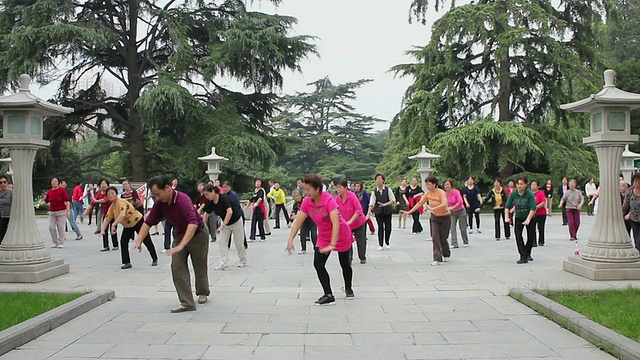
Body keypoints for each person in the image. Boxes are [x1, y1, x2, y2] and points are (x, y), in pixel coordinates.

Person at [135, 175, 210, 313]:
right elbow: (148, 222)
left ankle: (203, 292)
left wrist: (181, 245)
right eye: (155, 195)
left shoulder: (183, 200)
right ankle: (187, 302)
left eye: (158, 193)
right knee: (177, 267)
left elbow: (193, 223)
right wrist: (139, 241)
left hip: (198, 234)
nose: (157, 197)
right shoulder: (160, 204)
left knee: (199, 265)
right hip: (179, 234)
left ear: (168, 188)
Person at [286, 174, 354, 305]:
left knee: (345, 264)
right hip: (324, 236)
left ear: (317, 189)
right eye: (305, 190)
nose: (306, 192)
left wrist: (332, 244)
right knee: (318, 264)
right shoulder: (307, 202)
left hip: (341, 234)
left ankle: (348, 287)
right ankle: (328, 295)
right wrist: (290, 239)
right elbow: (299, 220)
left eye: (308, 190)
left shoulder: (329, 200)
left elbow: (336, 224)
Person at [100, 186, 158, 269]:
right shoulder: (112, 206)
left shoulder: (121, 202)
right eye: (109, 194)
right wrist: (102, 230)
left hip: (137, 221)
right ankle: (127, 262)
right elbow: (107, 218)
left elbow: (122, 215)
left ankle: (154, 258)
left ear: (116, 194)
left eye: (112, 193)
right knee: (123, 241)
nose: (111, 195)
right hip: (128, 225)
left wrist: (114, 224)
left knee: (146, 239)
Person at [405, 176, 451, 266]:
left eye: (428, 184)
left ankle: (446, 253)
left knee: (443, 238)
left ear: (434, 184)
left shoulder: (441, 192)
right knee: (435, 237)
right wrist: (409, 212)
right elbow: (420, 203)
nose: (427, 186)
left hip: (445, 217)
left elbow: (445, 204)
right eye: (426, 184)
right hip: (435, 218)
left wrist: (432, 208)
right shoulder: (428, 194)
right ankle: (437, 258)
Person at [202, 184, 247, 271]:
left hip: (236, 221)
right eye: (205, 195)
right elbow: (206, 214)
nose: (206, 197)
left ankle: (243, 259)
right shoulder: (210, 202)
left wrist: (223, 225)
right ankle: (224, 263)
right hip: (225, 222)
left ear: (213, 191)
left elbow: (229, 212)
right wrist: (202, 225)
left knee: (239, 242)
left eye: (207, 194)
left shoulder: (223, 198)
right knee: (222, 242)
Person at [505, 177, 537, 264]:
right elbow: (507, 206)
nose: (519, 186)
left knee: (531, 237)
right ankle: (523, 256)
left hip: (530, 217)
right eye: (518, 184)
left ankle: (527, 253)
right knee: (518, 236)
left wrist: (528, 219)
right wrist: (507, 217)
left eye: (521, 184)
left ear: (526, 185)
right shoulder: (514, 193)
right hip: (518, 217)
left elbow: (533, 207)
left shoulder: (529, 194)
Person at [335, 180, 367, 264]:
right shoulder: (337, 199)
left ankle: (362, 257)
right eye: (337, 188)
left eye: (340, 187)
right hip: (346, 224)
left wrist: (350, 221)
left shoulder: (352, 196)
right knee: (347, 240)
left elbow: (359, 210)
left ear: (345, 188)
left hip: (358, 222)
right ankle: (349, 258)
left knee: (361, 240)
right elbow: (334, 211)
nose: (338, 190)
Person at [367, 173, 396, 250]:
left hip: (387, 211)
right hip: (378, 212)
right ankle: (380, 244)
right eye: (377, 179)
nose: (379, 180)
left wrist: (385, 204)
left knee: (388, 227)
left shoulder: (387, 189)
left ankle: (387, 242)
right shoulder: (374, 191)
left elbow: (393, 200)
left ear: (383, 180)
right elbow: (372, 202)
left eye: (380, 178)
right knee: (380, 227)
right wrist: (369, 211)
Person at [42, 177, 70, 248]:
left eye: (55, 181)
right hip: (52, 212)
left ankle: (61, 242)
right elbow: (46, 200)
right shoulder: (50, 191)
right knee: (51, 227)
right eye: (52, 181)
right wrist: (40, 204)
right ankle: (55, 242)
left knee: (61, 227)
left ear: (58, 183)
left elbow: (67, 200)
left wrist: (68, 210)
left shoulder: (62, 190)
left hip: (61, 211)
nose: (54, 183)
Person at [90, 179, 118, 251]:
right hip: (106, 215)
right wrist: (87, 210)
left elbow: (106, 199)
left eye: (105, 183)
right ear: (99, 186)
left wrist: (97, 201)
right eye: (102, 184)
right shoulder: (99, 194)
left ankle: (115, 245)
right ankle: (106, 246)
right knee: (104, 230)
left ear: (108, 185)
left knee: (113, 229)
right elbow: (93, 203)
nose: (103, 185)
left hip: (114, 214)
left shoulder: (110, 192)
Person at [444, 179, 468, 248]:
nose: (446, 186)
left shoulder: (456, 192)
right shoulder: (445, 194)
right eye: (445, 185)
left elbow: (460, 201)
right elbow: (444, 202)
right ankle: (454, 243)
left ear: (451, 185)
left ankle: (465, 241)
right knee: (452, 227)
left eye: (448, 184)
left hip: (461, 211)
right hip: (452, 213)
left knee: (463, 228)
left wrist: (453, 207)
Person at [291, 190, 317, 254]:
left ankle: (316, 248)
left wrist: (297, 216)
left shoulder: (305, 201)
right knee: (302, 234)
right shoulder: (296, 204)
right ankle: (303, 248)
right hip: (303, 220)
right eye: (295, 197)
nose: (296, 198)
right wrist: (291, 218)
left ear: (301, 195)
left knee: (314, 235)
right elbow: (293, 211)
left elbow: (308, 211)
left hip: (312, 219)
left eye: (297, 196)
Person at [623, 173, 640, 252]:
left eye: (639, 181)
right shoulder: (629, 193)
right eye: (635, 181)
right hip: (634, 220)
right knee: (636, 239)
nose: (637, 183)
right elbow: (625, 206)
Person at [530, 180, 548, 246]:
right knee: (532, 228)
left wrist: (536, 207)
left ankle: (541, 241)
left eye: (534, 184)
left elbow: (543, 202)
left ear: (538, 186)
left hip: (541, 213)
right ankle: (533, 242)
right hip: (532, 214)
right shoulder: (529, 193)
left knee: (541, 227)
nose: (533, 186)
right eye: (532, 185)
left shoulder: (541, 193)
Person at [0, 175, 12, 244]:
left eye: (4, 182)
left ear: (7, 183)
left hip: (7, 216)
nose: (3, 184)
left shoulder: (11, 192)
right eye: (0, 182)